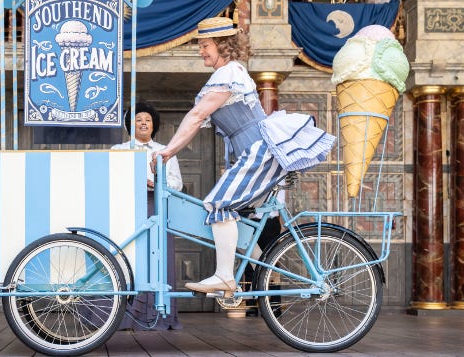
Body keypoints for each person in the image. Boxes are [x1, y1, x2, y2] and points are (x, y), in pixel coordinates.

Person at [152, 17, 335, 296]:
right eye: (201, 46)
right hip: (252, 152)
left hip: (257, 151)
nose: (201, 51)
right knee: (246, 219)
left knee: (218, 204)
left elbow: (197, 115)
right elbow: (199, 118)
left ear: (223, 45)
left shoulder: (229, 73)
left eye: (205, 45)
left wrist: (168, 150)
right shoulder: (229, 73)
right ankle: (254, 277)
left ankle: (225, 277)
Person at [112, 101, 184, 330]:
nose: (143, 123)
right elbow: (111, 178)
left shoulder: (166, 150)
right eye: (138, 119)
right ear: (130, 125)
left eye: (148, 120)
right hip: (125, 207)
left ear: (154, 125)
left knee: (158, 259)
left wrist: (158, 184)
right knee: (127, 257)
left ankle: (158, 316)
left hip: (157, 207)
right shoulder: (118, 150)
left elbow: (177, 183)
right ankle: (122, 316)